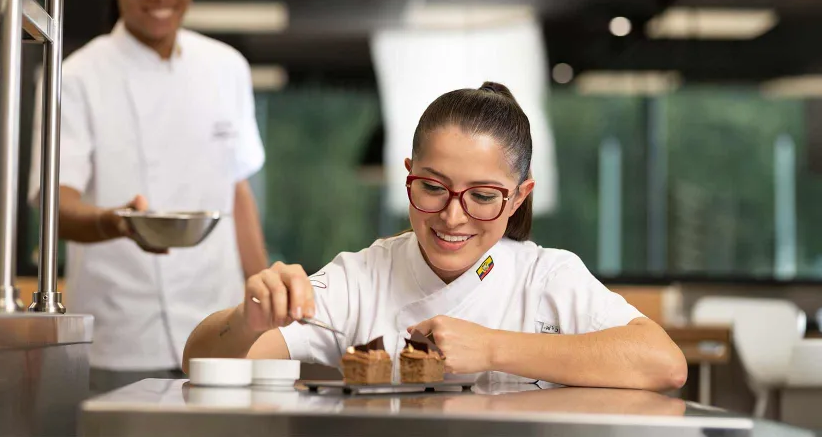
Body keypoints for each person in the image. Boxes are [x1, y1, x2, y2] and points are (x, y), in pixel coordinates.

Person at [183, 82, 688, 391]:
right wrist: (246, 320)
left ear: (518, 197)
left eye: (483, 196)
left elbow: (664, 364)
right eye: (432, 187)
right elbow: (200, 360)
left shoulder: (547, 276)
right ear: (408, 173)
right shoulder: (362, 277)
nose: (452, 217)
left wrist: (493, 349)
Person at [28, 0, 268, 392]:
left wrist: (265, 298)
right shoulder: (74, 77)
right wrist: (116, 223)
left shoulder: (228, 68)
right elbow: (55, 203)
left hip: (221, 326)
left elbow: (236, 192)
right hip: (120, 331)